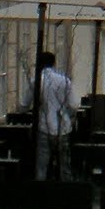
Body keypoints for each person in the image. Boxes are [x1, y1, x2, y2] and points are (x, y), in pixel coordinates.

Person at [29, 50, 75, 180]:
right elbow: (73, 104)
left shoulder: (36, 81)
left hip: (43, 127)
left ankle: (41, 192)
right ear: (54, 64)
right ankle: (66, 191)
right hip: (63, 127)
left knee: (41, 165)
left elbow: (24, 103)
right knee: (65, 165)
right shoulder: (64, 81)